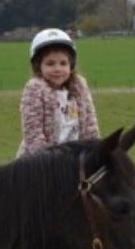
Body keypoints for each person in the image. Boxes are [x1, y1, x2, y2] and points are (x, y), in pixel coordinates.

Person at [17, 28, 99, 157]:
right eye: (50, 64)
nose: (57, 69)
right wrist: (49, 161)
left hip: (75, 160)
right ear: (38, 66)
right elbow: (33, 134)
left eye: (63, 63)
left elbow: (90, 127)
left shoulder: (79, 90)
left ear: (71, 66)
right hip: (41, 163)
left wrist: (93, 152)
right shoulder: (35, 91)